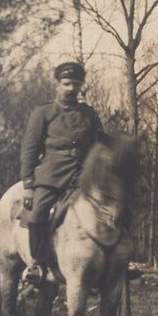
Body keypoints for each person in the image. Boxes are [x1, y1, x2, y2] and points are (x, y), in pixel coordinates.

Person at [19, 61, 105, 287]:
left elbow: (100, 144)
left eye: (76, 84)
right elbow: (29, 150)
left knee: (112, 206)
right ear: (57, 84)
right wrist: (28, 185)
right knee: (37, 212)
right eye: (66, 83)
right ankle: (37, 264)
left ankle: (118, 261)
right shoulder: (44, 113)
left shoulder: (89, 114)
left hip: (84, 175)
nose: (71, 88)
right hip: (52, 174)